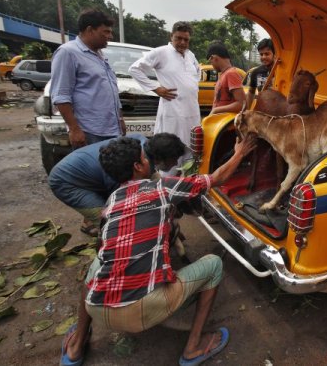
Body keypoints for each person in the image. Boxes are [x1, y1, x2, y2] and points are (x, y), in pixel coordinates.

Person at [59, 135, 256, 366]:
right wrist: (240, 153)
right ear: (138, 166)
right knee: (214, 264)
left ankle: (75, 347)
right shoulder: (163, 188)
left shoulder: (110, 202)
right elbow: (217, 178)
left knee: (97, 265)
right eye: (144, 158)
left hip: (98, 308)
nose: (148, 161)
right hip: (144, 308)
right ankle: (192, 348)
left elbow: (104, 247)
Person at [48, 133, 186, 236]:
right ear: (159, 158)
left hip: (86, 171)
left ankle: (89, 222)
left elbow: (155, 181)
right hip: (67, 182)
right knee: (114, 224)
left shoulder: (142, 144)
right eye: (173, 160)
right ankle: (108, 253)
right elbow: (121, 200)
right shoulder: (127, 166)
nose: (175, 164)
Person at [50, 9, 125, 148]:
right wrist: (74, 129)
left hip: (111, 129)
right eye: (106, 32)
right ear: (90, 30)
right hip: (89, 132)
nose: (110, 36)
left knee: (111, 169)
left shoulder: (99, 55)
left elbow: (110, 89)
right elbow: (61, 96)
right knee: (92, 169)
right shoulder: (68, 53)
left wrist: (119, 119)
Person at [129, 21, 201, 164]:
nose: (182, 42)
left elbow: (197, 73)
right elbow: (135, 69)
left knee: (191, 152)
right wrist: (155, 88)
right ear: (171, 36)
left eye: (186, 39)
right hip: (172, 112)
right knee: (169, 151)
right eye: (178, 38)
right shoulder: (161, 52)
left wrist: (188, 86)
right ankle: (167, 182)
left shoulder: (190, 55)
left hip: (192, 111)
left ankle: (186, 182)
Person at [206, 42, 246, 114]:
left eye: (210, 62)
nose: (211, 65)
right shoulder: (224, 74)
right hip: (220, 121)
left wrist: (216, 110)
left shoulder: (231, 74)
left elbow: (241, 104)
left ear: (214, 58)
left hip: (226, 122)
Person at [246, 38, 275, 109]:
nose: (263, 57)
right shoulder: (256, 72)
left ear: (274, 54)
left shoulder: (283, 72)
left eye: (267, 54)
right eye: (261, 54)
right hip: (263, 113)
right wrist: (247, 110)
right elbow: (251, 93)